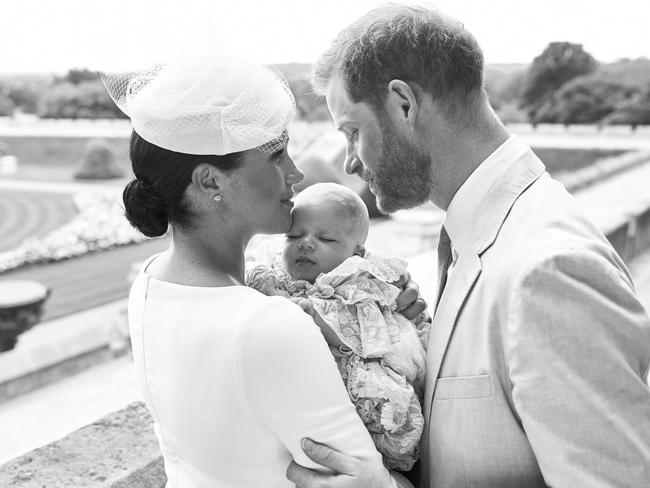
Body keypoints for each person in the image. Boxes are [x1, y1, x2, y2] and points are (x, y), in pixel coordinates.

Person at [286, 4, 650, 488]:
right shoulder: (475, 231)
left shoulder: (550, 269)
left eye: (353, 131)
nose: (349, 162)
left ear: (404, 104)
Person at [102, 57, 423, 487]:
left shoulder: (150, 281)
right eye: (276, 155)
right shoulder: (267, 322)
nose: (295, 172)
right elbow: (372, 478)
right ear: (210, 181)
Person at [247, 182, 430, 471]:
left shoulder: (357, 282)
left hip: (355, 377)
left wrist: (311, 316)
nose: (305, 243)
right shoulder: (271, 271)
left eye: (326, 239)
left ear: (356, 253)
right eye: (294, 234)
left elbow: (361, 332)